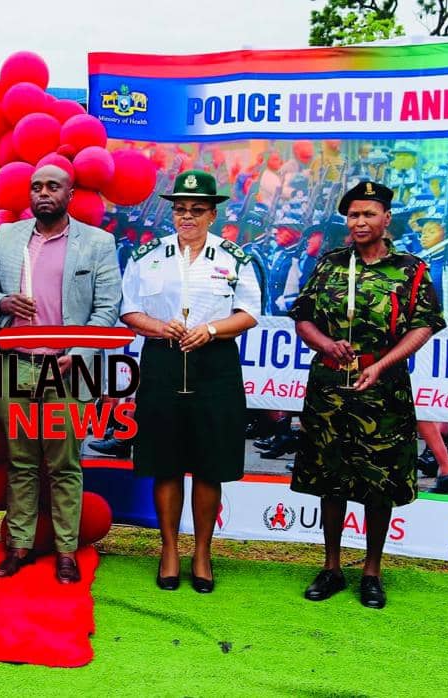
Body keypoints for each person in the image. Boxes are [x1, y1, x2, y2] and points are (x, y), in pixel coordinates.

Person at [289, 180, 444, 609]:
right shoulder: (330, 264)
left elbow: (425, 324)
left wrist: (383, 364)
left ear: (385, 219)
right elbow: (302, 317)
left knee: (379, 483)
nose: (360, 222)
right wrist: (322, 342)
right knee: (331, 479)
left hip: (384, 388)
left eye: (368, 214)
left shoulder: (410, 268)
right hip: (331, 384)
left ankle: (372, 572)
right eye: (354, 215)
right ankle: (332, 567)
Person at [120, 170, 261, 593]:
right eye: (180, 210)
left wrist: (213, 330)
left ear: (212, 215)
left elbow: (249, 311)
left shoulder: (233, 257)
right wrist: (159, 327)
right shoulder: (149, 255)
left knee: (208, 462)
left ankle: (202, 552)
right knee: (165, 461)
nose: (187, 217)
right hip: (163, 360)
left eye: (196, 210)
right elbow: (128, 310)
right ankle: (168, 550)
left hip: (214, 363)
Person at [0, 164, 121, 584]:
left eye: (52, 186)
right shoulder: (7, 238)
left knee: (64, 464)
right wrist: (3, 303)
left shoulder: (96, 243)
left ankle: (65, 551)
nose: (43, 193)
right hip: (14, 364)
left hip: (67, 368)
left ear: (70, 194)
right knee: (20, 462)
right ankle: (19, 545)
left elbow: (108, 308)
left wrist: (76, 352)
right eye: (36, 186)